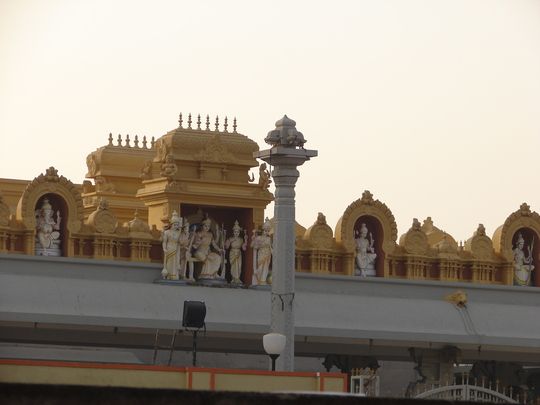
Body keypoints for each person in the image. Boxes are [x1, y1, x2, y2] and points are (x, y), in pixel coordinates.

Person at [161, 211, 182, 280]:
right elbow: (164, 242)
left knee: (175, 262)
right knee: (169, 263)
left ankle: (175, 276)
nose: (176, 226)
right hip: (169, 248)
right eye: (175, 225)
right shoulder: (167, 232)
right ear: (171, 224)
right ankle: (168, 275)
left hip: (176, 249)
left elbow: (180, 242)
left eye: (177, 225)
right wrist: (164, 248)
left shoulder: (178, 233)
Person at [225, 220, 247, 284]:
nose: (236, 233)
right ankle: (233, 278)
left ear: (239, 232)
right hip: (232, 253)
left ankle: (238, 278)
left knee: (239, 266)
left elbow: (244, 248)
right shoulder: (230, 238)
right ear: (233, 232)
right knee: (233, 266)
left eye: (237, 232)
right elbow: (227, 247)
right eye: (235, 232)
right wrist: (229, 241)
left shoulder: (241, 239)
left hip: (239, 253)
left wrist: (245, 240)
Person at [251, 218, 272, 285]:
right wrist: (254, 238)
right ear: (263, 230)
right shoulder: (259, 238)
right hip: (261, 254)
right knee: (259, 267)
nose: (267, 232)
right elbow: (253, 246)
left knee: (266, 267)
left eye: (268, 230)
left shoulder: (269, 239)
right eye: (266, 230)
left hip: (267, 255)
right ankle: (258, 279)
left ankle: (263, 280)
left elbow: (271, 247)